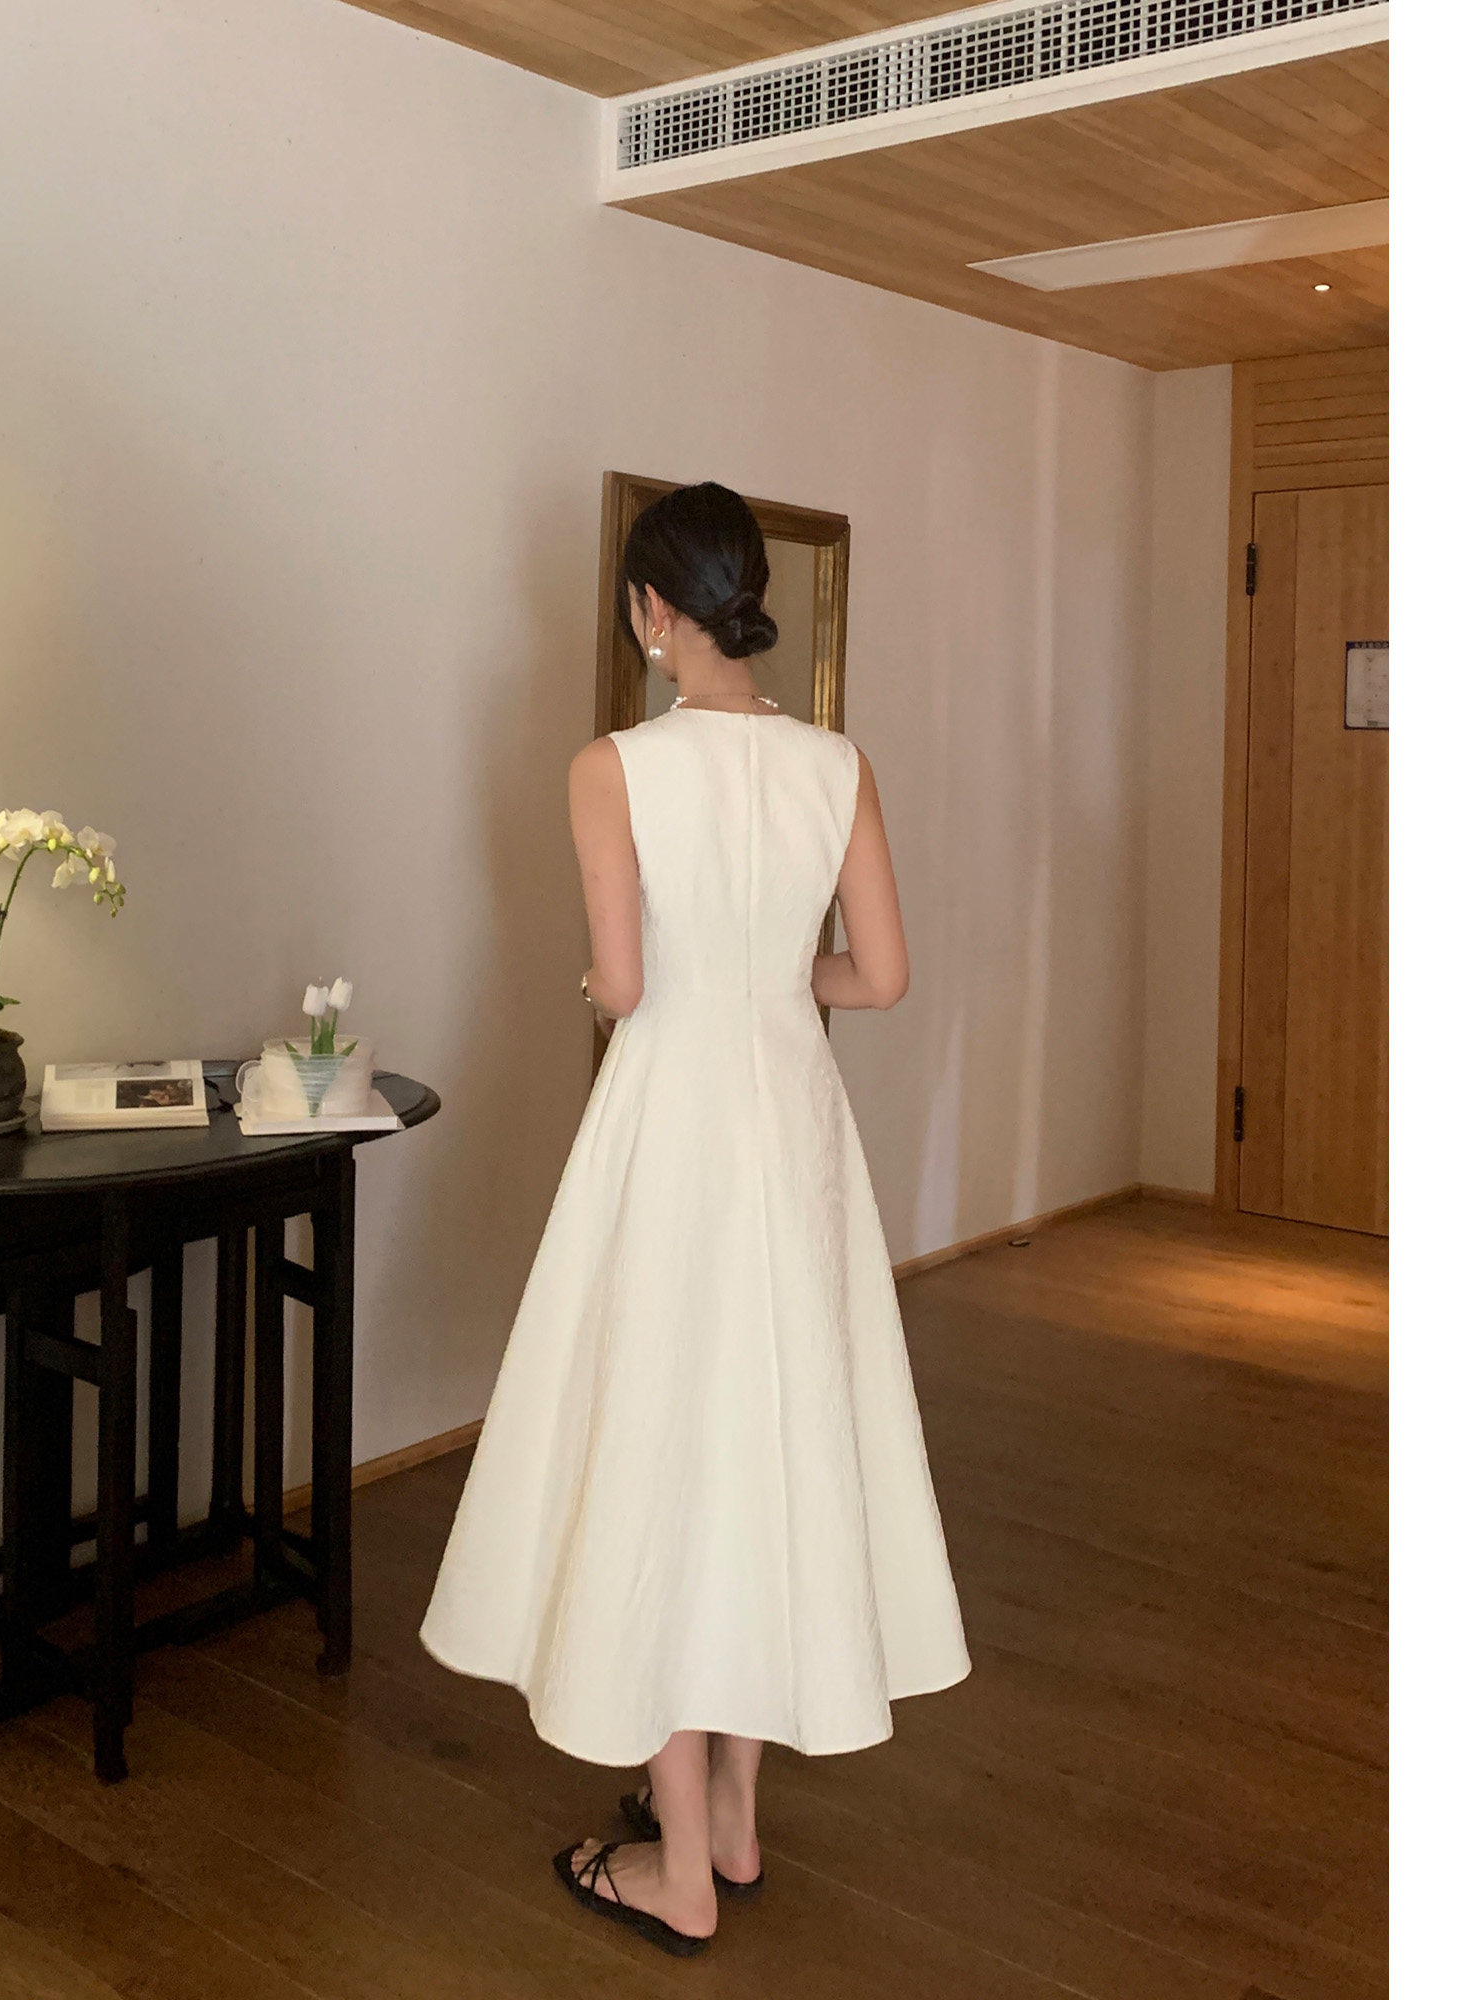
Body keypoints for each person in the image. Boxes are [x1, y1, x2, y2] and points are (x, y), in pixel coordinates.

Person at [419, 481, 968, 1956]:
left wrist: (635, 983)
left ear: (652, 610)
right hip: (791, 1129)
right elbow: (882, 976)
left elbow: (623, 985)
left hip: (670, 1129)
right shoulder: (837, 764)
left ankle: (675, 1873)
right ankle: (731, 1816)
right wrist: (782, 984)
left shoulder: (613, 767)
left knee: (660, 1449)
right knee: (769, 1444)